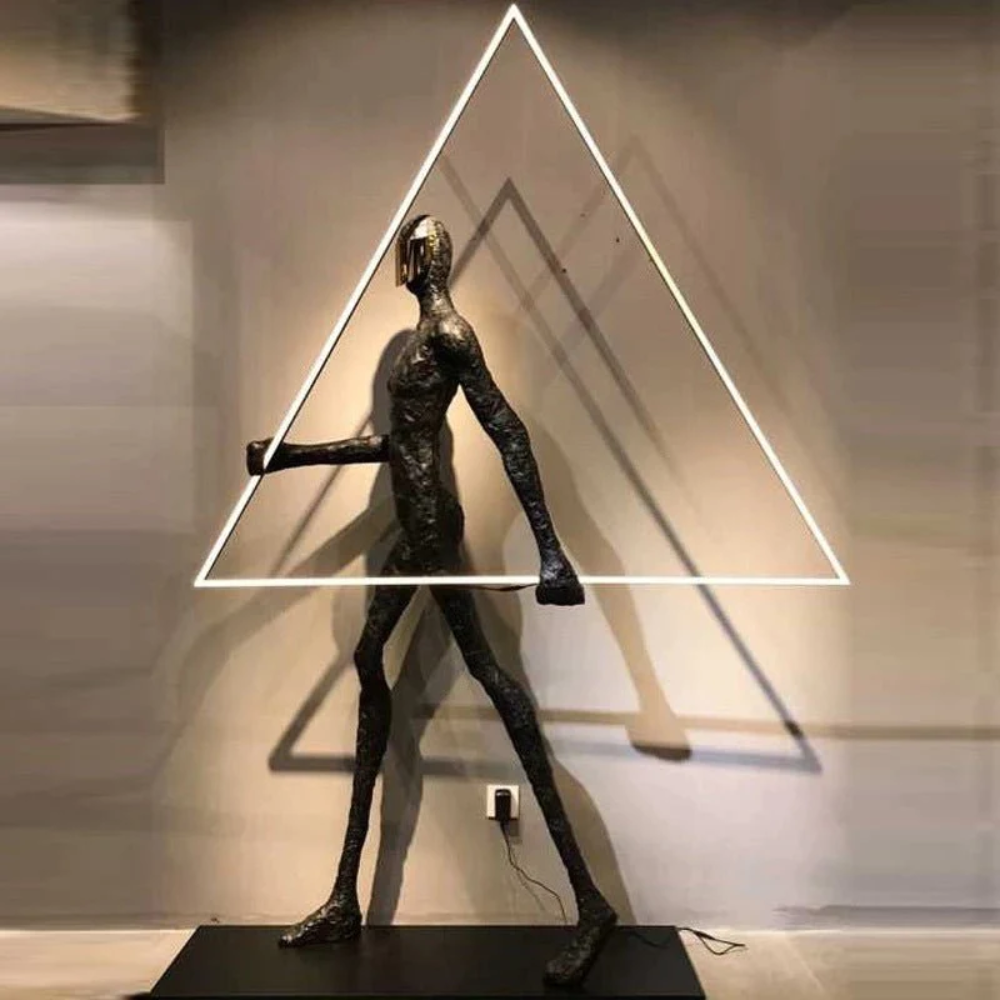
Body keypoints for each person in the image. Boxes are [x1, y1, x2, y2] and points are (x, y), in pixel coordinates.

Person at [246, 215, 617, 986]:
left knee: (490, 679)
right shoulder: (425, 339)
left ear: (419, 258)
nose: (403, 264)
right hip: (414, 530)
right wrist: (292, 457)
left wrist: (551, 551)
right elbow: (400, 446)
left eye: (407, 254)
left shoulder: (449, 334)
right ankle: (345, 899)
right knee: (374, 661)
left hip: (431, 531)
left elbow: (508, 430)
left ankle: (589, 903)